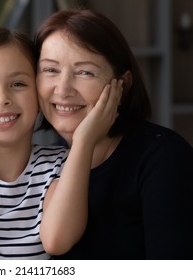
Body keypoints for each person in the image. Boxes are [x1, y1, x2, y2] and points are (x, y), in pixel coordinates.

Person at [0, 27, 123, 259]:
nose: (2, 100)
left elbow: (56, 241)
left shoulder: (60, 165)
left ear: (40, 96)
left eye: (18, 84)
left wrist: (83, 140)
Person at [34, 9, 193, 259]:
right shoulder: (44, 165)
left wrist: (84, 140)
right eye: (50, 70)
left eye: (85, 72)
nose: (62, 89)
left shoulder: (164, 158)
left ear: (123, 84)